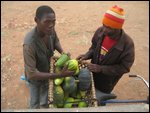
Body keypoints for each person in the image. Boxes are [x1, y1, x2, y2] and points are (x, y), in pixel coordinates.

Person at [23, 5, 74, 109]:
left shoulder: (50, 30)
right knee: (35, 102)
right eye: (47, 21)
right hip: (36, 79)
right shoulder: (29, 44)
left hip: (48, 71)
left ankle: (43, 105)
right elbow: (32, 74)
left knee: (45, 99)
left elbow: (56, 41)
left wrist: (63, 53)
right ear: (36, 20)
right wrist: (58, 75)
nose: (51, 25)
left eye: (53, 21)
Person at [77, 5, 135, 94]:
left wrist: (101, 69)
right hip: (92, 73)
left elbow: (124, 68)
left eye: (109, 28)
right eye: (104, 25)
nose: (104, 30)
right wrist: (87, 54)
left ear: (118, 28)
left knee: (101, 97)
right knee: (89, 90)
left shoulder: (127, 44)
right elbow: (94, 47)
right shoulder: (100, 32)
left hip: (107, 81)